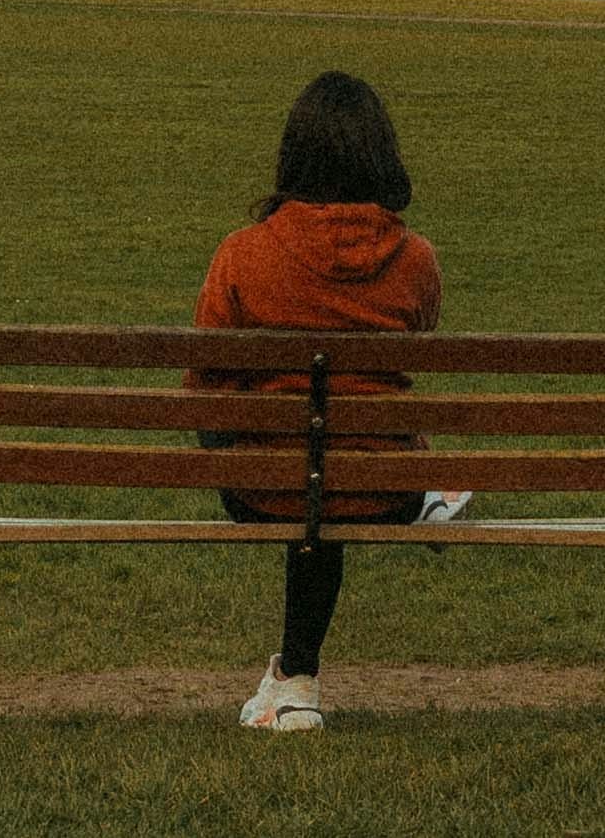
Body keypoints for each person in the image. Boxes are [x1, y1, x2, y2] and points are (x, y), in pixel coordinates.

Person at [192, 67, 452, 732]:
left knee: (303, 464)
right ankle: (430, 495)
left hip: (261, 491)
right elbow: (420, 337)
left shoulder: (241, 253)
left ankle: (294, 681)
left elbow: (203, 385)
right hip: (380, 489)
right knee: (333, 458)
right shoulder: (416, 259)